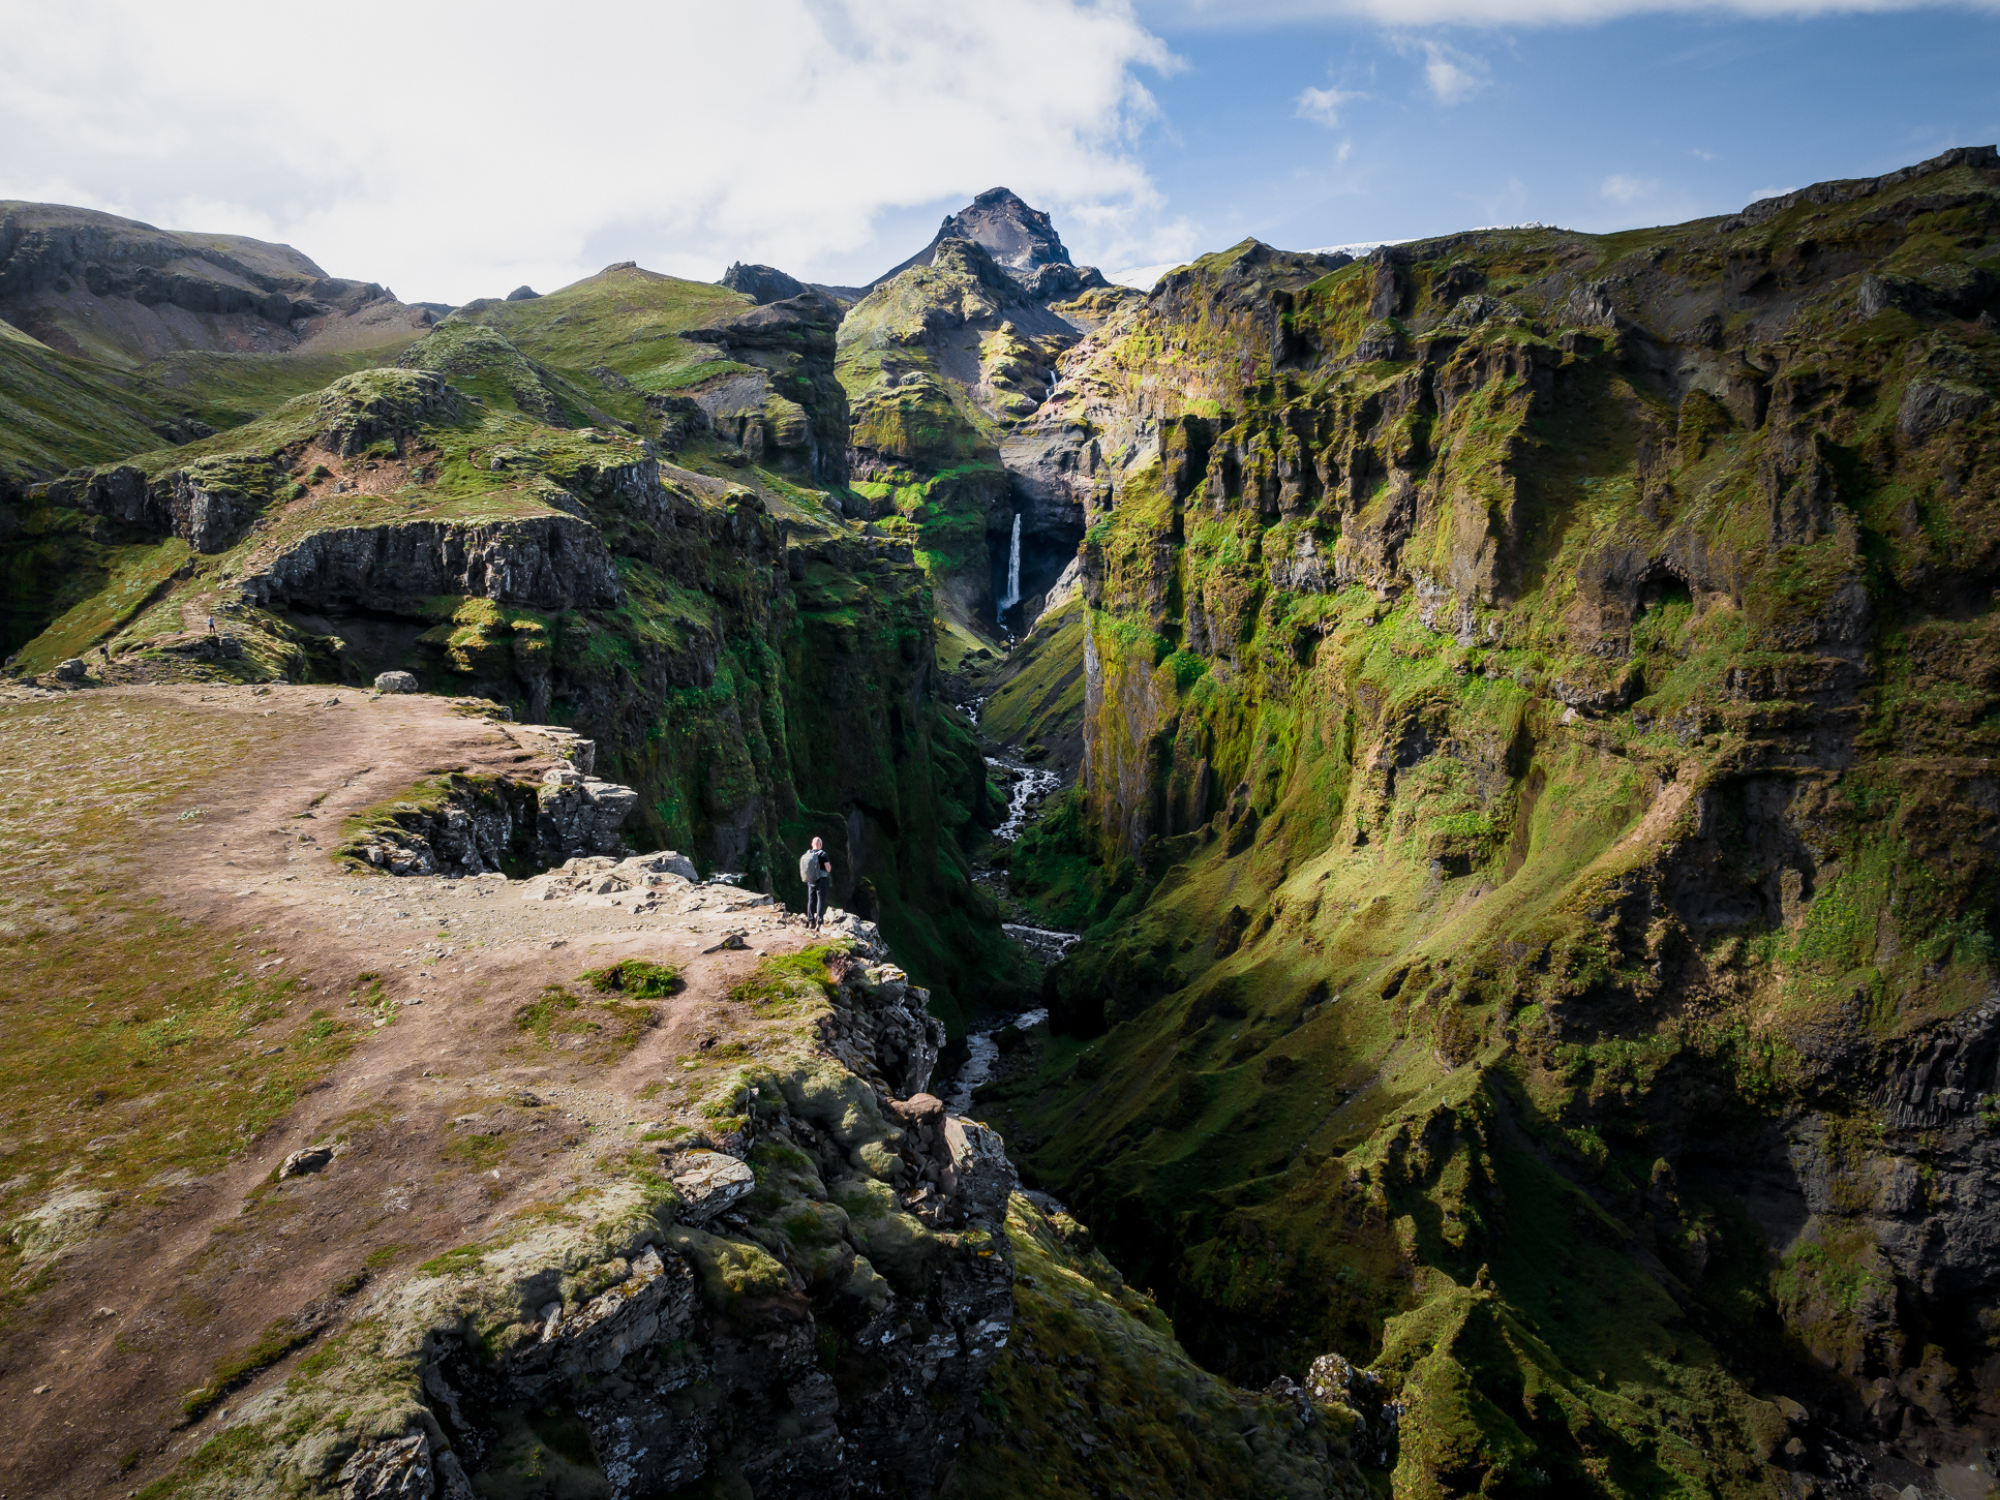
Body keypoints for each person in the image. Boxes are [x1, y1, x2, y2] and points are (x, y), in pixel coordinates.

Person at [799, 836, 832, 930]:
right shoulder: (823, 854)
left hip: (810, 880)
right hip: (821, 880)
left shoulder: (807, 853)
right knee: (820, 900)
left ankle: (810, 921)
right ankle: (819, 922)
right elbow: (828, 868)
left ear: (812, 844)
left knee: (811, 900)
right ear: (820, 844)